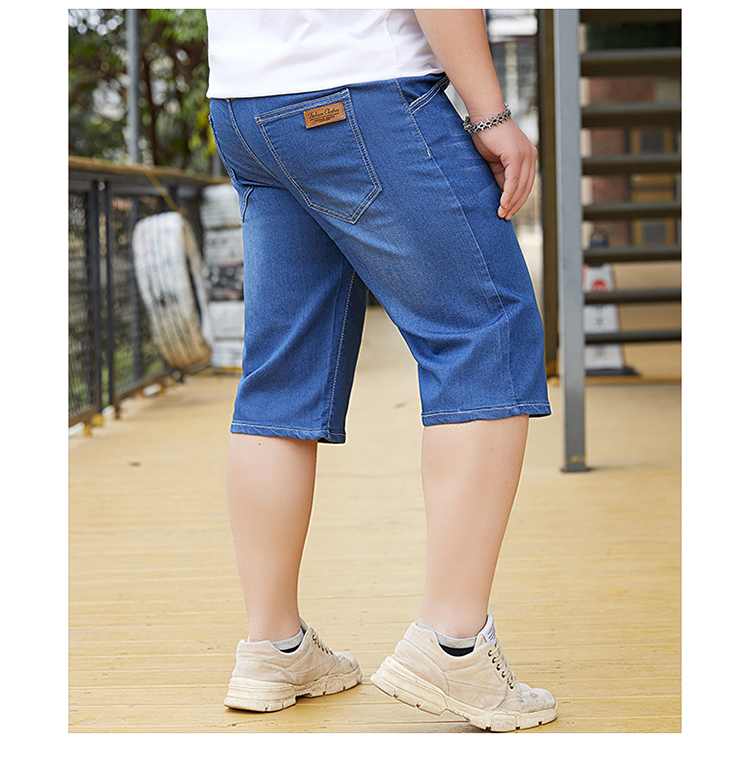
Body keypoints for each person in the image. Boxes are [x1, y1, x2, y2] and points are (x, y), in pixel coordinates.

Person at [206, 8, 556, 732]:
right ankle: (454, 646)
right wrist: (490, 115)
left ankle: (273, 648)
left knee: (280, 373)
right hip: (361, 90)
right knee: (484, 332)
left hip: (246, 104)